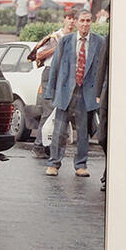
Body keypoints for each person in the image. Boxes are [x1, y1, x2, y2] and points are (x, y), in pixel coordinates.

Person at [44, 10, 104, 177]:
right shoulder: (65, 41)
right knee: (59, 131)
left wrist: (101, 93)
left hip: (87, 93)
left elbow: (103, 70)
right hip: (66, 92)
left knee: (83, 132)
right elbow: (55, 66)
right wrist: (50, 92)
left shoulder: (99, 42)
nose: (85, 24)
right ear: (76, 22)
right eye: (82, 20)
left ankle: (81, 165)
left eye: (88, 20)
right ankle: (53, 163)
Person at [29, 9, 76, 157]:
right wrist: (57, 48)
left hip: (67, 75)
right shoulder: (55, 37)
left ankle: (50, 146)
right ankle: (39, 146)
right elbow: (39, 54)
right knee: (48, 111)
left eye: (74, 19)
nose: (71, 21)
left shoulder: (75, 38)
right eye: (69, 18)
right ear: (64, 20)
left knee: (61, 111)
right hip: (51, 74)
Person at [94, 28, 109, 191]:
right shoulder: (110, 37)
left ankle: (108, 174)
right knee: (103, 137)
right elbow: (102, 65)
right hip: (108, 95)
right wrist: (98, 93)